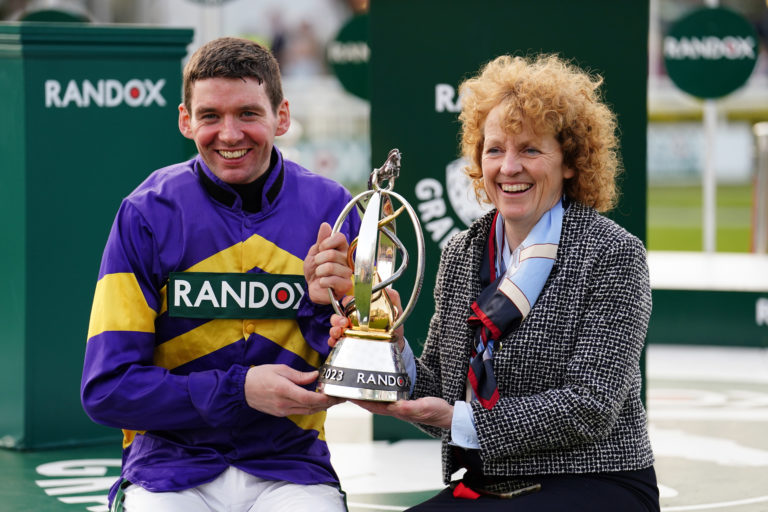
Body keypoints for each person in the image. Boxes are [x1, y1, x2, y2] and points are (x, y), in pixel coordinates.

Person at [310, 54, 659, 511]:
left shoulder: (612, 253)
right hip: (486, 482)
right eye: (494, 150)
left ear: (570, 163)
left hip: (598, 481)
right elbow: (438, 386)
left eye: (530, 150)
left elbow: (590, 407)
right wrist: (390, 345)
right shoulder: (462, 252)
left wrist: (460, 418)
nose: (508, 167)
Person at [81, 37, 359, 512]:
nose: (230, 134)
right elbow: (106, 389)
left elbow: (369, 371)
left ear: (282, 116)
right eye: (210, 116)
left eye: (248, 113)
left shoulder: (334, 208)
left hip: (290, 467)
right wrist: (241, 391)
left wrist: (339, 309)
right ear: (185, 120)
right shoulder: (147, 213)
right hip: (170, 468)